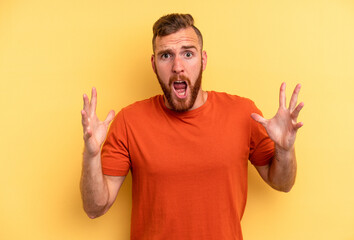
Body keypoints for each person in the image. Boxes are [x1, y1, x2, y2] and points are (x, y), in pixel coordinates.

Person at [80, 13, 304, 240]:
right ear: (154, 64)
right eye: (166, 55)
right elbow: (95, 208)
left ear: (203, 60)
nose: (178, 66)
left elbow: (282, 183)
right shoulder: (129, 121)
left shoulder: (243, 114)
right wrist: (91, 156)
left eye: (188, 53)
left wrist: (285, 150)